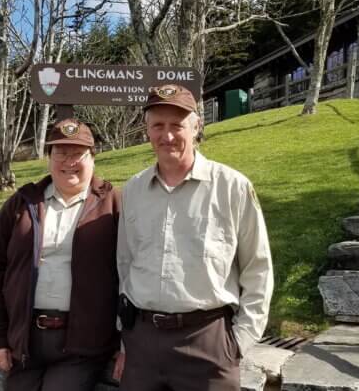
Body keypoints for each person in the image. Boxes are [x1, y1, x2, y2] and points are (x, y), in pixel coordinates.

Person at [117, 85, 274, 391]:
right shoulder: (133, 190)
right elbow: (125, 263)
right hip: (143, 343)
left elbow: (259, 267)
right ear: (147, 130)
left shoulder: (232, 187)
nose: (168, 135)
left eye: (177, 125)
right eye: (158, 126)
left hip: (209, 342)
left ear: (196, 126)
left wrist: (240, 340)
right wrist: (126, 335)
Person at [0, 118, 121, 391]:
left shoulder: (113, 204)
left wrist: (125, 342)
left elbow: (129, 273)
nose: (69, 161)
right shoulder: (23, 203)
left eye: (78, 153)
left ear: (93, 158)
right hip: (25, 342)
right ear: (49, 158)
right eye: (60, 153)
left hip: (83, 344)